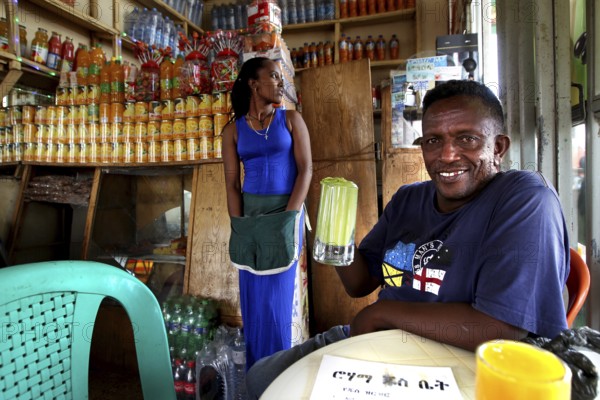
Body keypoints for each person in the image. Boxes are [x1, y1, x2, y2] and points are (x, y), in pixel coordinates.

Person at [246, 79, 570, 397]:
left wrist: (379, 314)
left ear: (498, 147)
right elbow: (360, 283)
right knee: (260, 377)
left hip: (458, 362)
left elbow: (500, 327)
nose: (447, 155)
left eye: (467, 139)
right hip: (380, 344)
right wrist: (337, 239)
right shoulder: (408, 200)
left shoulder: (523, 199)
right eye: (432, 141)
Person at [222, 57, 312, 369]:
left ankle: (278, 371)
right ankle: (256, 374)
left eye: (281, 76)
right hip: (251, 221)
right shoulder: (233, 131)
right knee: (254, 301)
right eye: (274, 76)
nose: (281, 82)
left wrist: (289, 217)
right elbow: (232, 184)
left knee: (277, 301)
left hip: (285, 216)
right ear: (253, 83)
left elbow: (306, 171)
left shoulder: (290, 119)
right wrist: (239, 226)